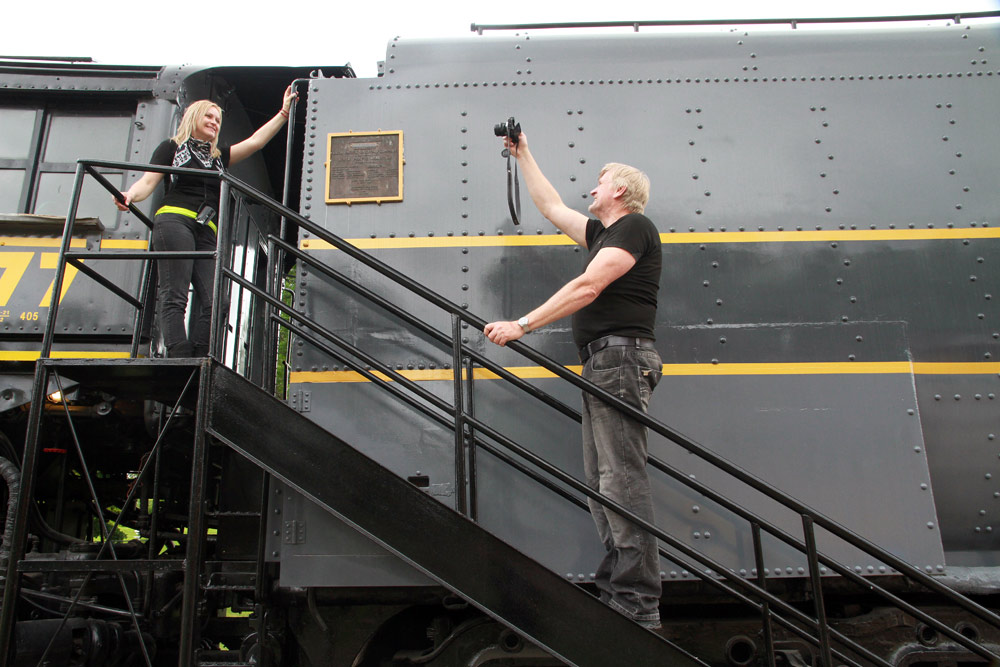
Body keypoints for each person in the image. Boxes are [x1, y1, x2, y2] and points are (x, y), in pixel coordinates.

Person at [483, 132, 663, 629]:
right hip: (605, 365)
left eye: (600, 181)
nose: (592, 187)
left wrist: (522, 325)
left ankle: (638, 601)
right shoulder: (604, 234)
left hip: (622, 362)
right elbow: (551, 206)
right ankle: (620, 589)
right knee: (601, 482)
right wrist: (523, 154)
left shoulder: (635, 228)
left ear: (620, 191)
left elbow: (588, 285)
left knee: (621, 479)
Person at [115, 86, 297, 357]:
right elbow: (148, 182)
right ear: (194, 118)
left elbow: (256, 142)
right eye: (209, 117)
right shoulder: (171, 148)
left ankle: (200, 354)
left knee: (219, 300)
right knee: (175, 294)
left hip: (206, 230)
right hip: (174, 220)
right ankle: (179, 353)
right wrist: (130, 196)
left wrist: (283, 113)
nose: (214, 122)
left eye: (218, 120)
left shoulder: (218, 157)